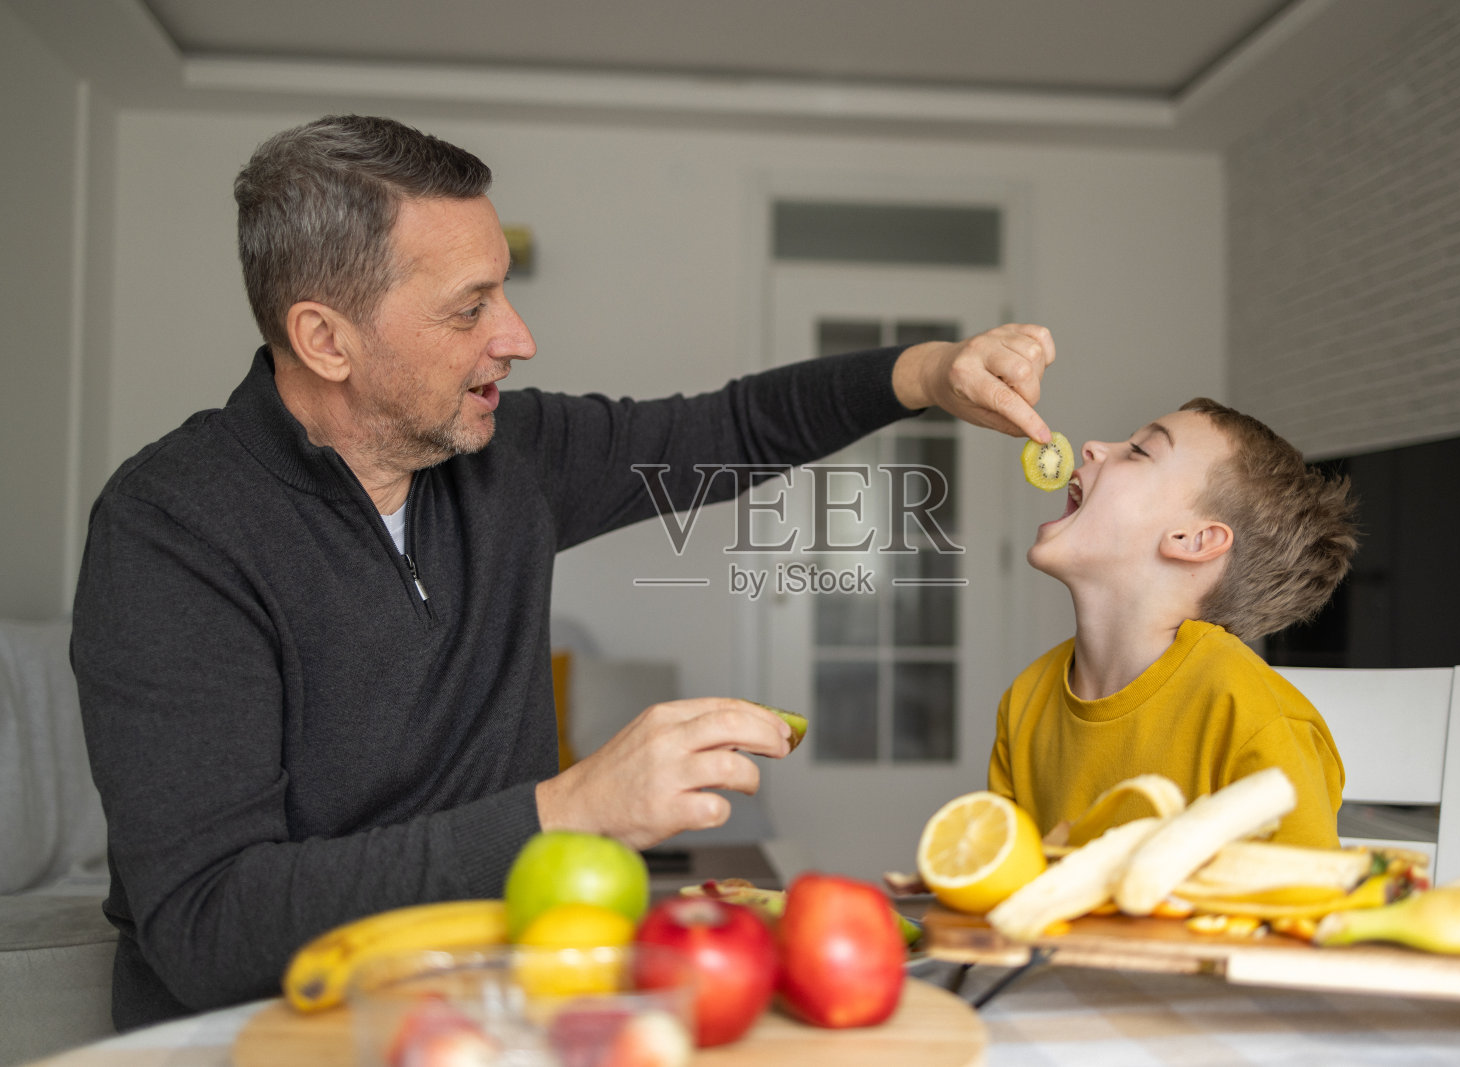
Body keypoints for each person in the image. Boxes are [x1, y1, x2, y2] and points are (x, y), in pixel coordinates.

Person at [69, 114, 1057, 1028]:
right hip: (260, 1033)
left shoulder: (512, 457)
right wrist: (570, 810)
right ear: (326, 338)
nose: (518, 338)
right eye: (470, 308)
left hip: (502, 1010)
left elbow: (730, 426)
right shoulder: (172, 528)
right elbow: (207, 924)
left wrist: (928, 374)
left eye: (503, 291)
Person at [988, 398, 1358, 846]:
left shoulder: (1256, 718)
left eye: (1139, 451)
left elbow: (1302, 888)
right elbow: (1006, 871)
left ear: (1192, 539)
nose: (1091, 447)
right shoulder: (1025, 699)